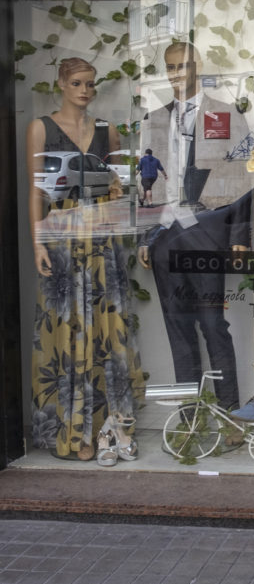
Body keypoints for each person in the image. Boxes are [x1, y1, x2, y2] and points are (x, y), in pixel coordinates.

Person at [26, 57, 145, 461]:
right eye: (77, 83)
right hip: (60, 236)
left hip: (100, 238)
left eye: (91, 84)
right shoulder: (40, 128)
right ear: (61, 83)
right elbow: (36, 191)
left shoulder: (105, 131)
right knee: (68, 328)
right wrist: (38, 242)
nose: (85, 90)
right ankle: (74, 431)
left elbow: (115, 184)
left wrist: (117, 193)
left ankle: (105, 426)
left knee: (105, 330)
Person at [137, 41, 254, 412]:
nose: (177, 74)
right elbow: (145, 181)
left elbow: (242, 177)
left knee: (212, 325)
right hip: (166, 235)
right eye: (171, 67)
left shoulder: (225, 115)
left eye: (184, 65)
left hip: (207, 233)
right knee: (178, 327)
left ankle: (229, 409)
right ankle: (191, 415)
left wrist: (239, 237)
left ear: (197, 66)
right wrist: (145, 235)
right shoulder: (154, 119)